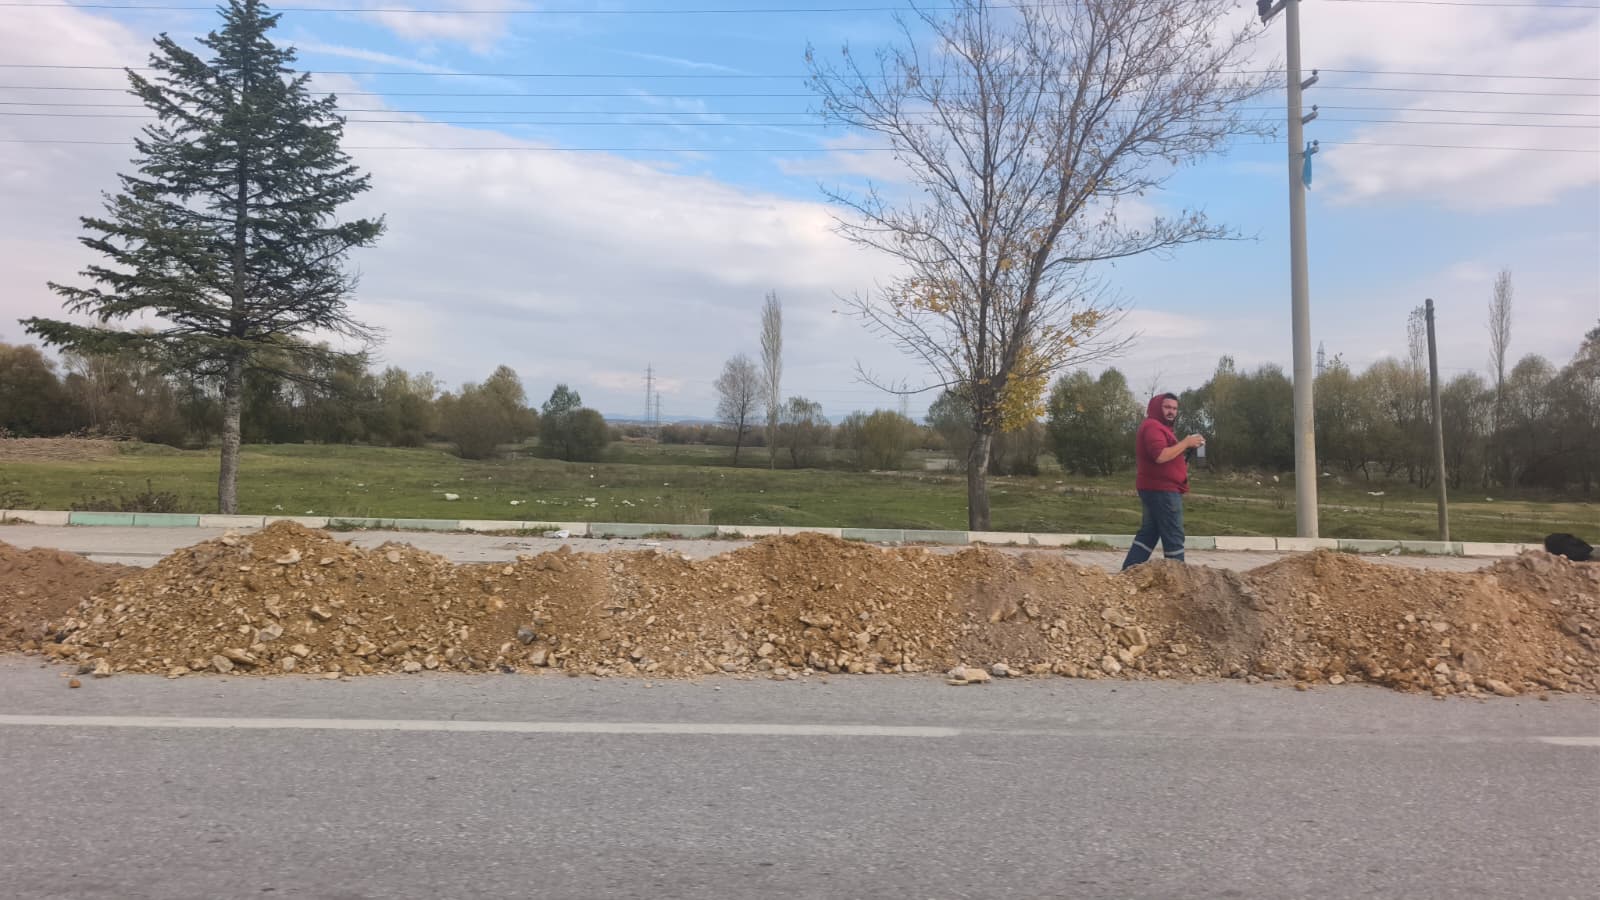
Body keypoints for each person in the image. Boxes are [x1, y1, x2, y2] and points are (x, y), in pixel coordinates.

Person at [1121, 393, 1205, 570]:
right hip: (1162, 490)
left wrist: (1183, 457)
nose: (1171, 412)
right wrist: (1186, 442)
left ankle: (1127, 576)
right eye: (1167, 407)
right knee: (1174, 536)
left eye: (1174, 409)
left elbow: (1168, 456)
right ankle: (1177, 584)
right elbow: (1160, 456)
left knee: (1149, 534)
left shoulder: (1160, 428)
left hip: (1156, 488)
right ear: (1157, 407)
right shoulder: (1152, 426)